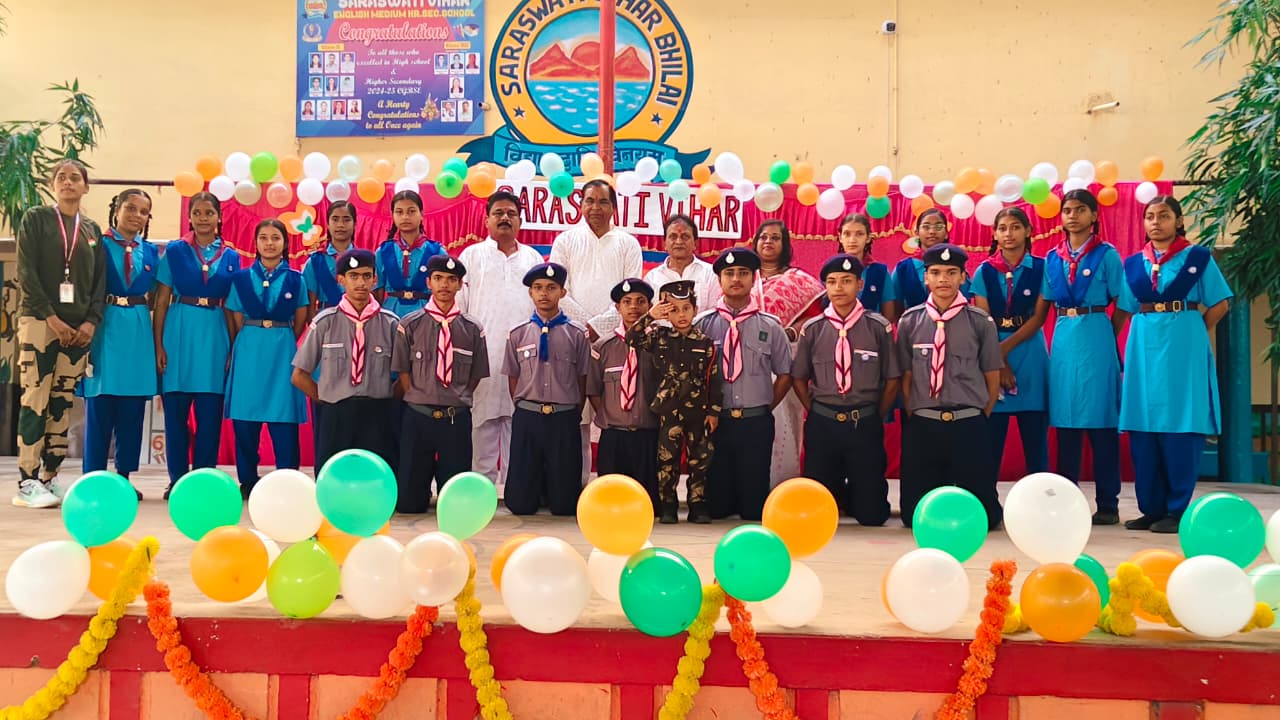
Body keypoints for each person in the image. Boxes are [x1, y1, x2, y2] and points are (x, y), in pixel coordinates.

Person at [1117, 196, 1231, 533]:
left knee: (1182, 420)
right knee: (1143, 422)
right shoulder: (1134, 264)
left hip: (1183, 349)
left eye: (1164, 216)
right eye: (1150, 216)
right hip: (1144, 348)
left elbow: (1220, 303)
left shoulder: (1198, 258)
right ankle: (1151, 508)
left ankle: (1176, 509)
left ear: (1179, 221)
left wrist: (1193, 332)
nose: (1156, 222)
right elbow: (1127, 307)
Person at [13, 159, 105, 508]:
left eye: (75, 178)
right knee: (35, 398)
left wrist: (90, 322)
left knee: (62, 402)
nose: (68, 182)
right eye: (61, 177)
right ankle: (27, 480)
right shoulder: (36, 219)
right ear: (53, 185)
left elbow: (99, 282)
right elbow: (27, 273)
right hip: (41, 323)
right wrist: (51, 318)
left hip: (78, 330)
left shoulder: (91, 230)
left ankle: (49, 477)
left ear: (85, 187)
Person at [896, 243, 1004, 529]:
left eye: (951, 272)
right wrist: (915, 413)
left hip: (967, 423)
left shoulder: (980, 322)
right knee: (913, 516)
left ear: (963, 277)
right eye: (935, 272)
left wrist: (980, 414)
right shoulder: (909, 321)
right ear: (926, 278)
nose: (943, 279)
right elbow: (906, 377)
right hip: (925, 424)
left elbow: (992, 377)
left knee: (987, 517)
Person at [1041, 189, 1128, 525]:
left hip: (1097, 334)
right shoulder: (1053, 257)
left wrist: (1106, 333)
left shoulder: (1107, 255)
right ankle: (1067, 504)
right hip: (1064, 337)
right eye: (1067, 210)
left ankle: (1108, 504)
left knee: (1102, 422)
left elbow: (1123, 302)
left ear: (1094, 216)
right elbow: (1045, 303)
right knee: (1066, 424)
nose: (1073, 216)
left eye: (1080, 210)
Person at [792, 254, 899, 525]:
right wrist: (815, 409)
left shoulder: (878, 327)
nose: (839, 288)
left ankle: (858, 496)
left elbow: (892, 378)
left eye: (847, 281)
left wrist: (875, 413)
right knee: (818, 513)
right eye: (832, 281)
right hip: (823, 424)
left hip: (863, 423)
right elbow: (799, 377)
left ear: (860, 284)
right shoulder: (813, 329)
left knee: (872, 516)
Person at [549, 178, 643, 482]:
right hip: (572, 340)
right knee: (575, 416)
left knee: (613, 413)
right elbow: (558, 290)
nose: (596, 208)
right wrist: (583, 328)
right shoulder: (565, 241)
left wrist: (598, 327)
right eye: (590, 201)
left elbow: (633, 295)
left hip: (617, 343)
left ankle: (611, 485)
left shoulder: (628, 243)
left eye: (603, 202)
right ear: (580, 205)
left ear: (614, 207)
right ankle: (576, 486)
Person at [154, 192, 241, 498]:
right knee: (176, 417)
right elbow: (161, 301)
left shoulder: (231, 256)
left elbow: (233, 307)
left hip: (215, 335)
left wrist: (233, 347)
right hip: (178, 334)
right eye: (197, 213)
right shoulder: (175, 251)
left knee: (209, 418)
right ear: (189, 217)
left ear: (219, 217)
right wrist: (158, 345)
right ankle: (177, 480)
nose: (203, 218)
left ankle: (204, 479)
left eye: (209, 213)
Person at [696, 248, 792, 520]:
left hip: (755, 423)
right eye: (729, 273)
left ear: (754, 278)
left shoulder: (770, 326)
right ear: (719, 280)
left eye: (743, 273)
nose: (736, 279)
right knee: (717, 508)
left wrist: (765, 406)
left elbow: (785, 373)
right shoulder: (703, 326)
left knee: (754, 510)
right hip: (716, 423)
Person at [458, 191, 543, 490]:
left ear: (520, 221)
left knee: (517, 426)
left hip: (524, 359)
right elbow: (460, 309)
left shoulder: (533, 259)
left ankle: (514, 490)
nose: (505, 218)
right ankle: (479, 491)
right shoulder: (471, 256)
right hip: (483, 356)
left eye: (511, 213)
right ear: (487, 220)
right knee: (480, 425)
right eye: (498, 213)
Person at [395, 254, 489, 513]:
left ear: (460, 285)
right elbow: (403, 370)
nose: (444, 285)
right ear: (428, 282)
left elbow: (476, 375)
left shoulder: (472, 328)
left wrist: (456, 398)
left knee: (454, 504)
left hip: (454, 418)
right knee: (409, 504)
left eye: (451, 279)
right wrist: (418, 396)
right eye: (438, 278)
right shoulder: (410, 324)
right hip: (418, 417)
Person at [80, 189, 159, 499]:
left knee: (132, 408)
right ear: (116, 209)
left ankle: (124, 478)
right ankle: (94, 479)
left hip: (138, 329)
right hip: (104, 324)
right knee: (100, 404)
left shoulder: (151, 252)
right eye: (131, 208)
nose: (136, 215)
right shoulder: (96, 244)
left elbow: (159, 295)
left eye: (143, 211)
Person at [292, 248, 399, 474]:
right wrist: (327, 399)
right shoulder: (325, 322)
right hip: (336, 413)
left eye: (366, 276)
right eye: (353, 276)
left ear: (375, 279)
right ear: (341, 280)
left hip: (377, 415)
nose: (361, 283)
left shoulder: (390, 324)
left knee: (376, 476)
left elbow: (406, 376)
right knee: (333, 475)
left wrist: (389, 399)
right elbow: (299, 375)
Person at [224, 219, 309, 496]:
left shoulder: (297, 279)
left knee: (283, 416)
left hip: (282, 349)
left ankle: (287, 478)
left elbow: (301, 317)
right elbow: (235, 317)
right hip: (249, 348)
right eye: (264, 237)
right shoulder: (240, 279)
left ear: (285, 243)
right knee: (245, 418)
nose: (269, 243)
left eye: (275, 237)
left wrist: (282, 336)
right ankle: (248, 480)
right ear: (256, 242)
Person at [628, 280, 722, 524]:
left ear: (695, 310)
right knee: (667, 460)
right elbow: (631, 338)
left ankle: (697, 505)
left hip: (698, 411)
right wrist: (650, 316)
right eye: (675, 310)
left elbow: (714, 379)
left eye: (686, 308)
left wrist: (713, 412)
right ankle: (668, 505)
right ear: (666, 313)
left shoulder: (705, 342)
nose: (681, 315)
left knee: (700, 460)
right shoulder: (659, 337)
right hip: (669, 410)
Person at [969, 207, 1050, 481]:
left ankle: (1040, 495)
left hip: (1030, 351)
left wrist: (1001, 353)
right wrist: (998, 361)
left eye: (1015, 227)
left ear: (1027, 231)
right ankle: (987, 498)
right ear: (994, 234)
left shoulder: (1042, 268)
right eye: (1002, 228)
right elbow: (983, 320)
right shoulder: (984, 271)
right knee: (990, 442)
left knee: (1036, 442)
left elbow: (1039, 317)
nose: (1009, 233)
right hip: (992, 349)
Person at [503, 263, 591, 515]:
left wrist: (572, 411)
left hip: (563, 417)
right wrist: (525, 406)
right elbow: (513, 377)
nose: (544, 293)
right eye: (538, 287)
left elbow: (582, 378)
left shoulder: (577, 334)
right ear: (530, 292)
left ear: (562, 292)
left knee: (565, 506)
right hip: (528, 416)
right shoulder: (517, 334)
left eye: (551, 287)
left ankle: (554, 492)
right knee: (520, 505)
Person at [753, 220, 823, 485]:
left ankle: (782, 483)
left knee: (785, 425)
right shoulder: (743, 277)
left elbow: (815, 318)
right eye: (763, 237)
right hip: (747, 366)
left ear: (785, 244)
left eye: (775, 238)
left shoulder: (799, 281)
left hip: (786, 363)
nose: (768, 242)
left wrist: (792, 331)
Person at [588, 279, 660, 510]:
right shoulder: (603, 347)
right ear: (617, 307)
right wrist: (612, 415)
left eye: (640, 301)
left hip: (649, 436)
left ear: (650, 306)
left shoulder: (660, 344)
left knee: (648, 506)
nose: (634, 307)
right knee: (611, 503)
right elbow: (594, 390)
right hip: (614, 437)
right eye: (627, 302)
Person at [883, 208, 969, 323]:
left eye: (938, 227)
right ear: (917, 232)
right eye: (926, 227)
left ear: (946, 233)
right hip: (914, 330)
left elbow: (965, 304)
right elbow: (896, 311)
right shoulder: (903, 268)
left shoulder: (957, 266)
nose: (932, 231)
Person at [376, 189, 444, 318]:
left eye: (411, 211)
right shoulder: (383, 251)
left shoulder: (436, 252)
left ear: (421, 214)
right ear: (392, 215)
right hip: (391, 314)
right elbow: (377, 292)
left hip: (427, 315)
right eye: (399, 212)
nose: (405, 217)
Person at [645, 214, 718, 311]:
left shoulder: (710, 274)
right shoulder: (651, 278)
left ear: (695, 243)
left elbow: (714, 313)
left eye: (685, 237)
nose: (679, 242)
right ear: (665, 244)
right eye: (673, 237)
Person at [304, 201, 357, 315]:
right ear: (327, 224)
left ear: (355, 224)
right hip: (325, 318)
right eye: (335, 219)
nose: (340, 225)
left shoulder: (364, 259)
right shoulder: (315, 261)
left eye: (346, 220)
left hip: (358, 318)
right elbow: (310, 303)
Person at [836, 213, 890, 313]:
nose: (852, 240)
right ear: (840, 237)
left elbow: (889, 316)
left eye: (859, 234)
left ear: (868, 238)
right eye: (847, 234)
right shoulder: (830, 271)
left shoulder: (880, 272)